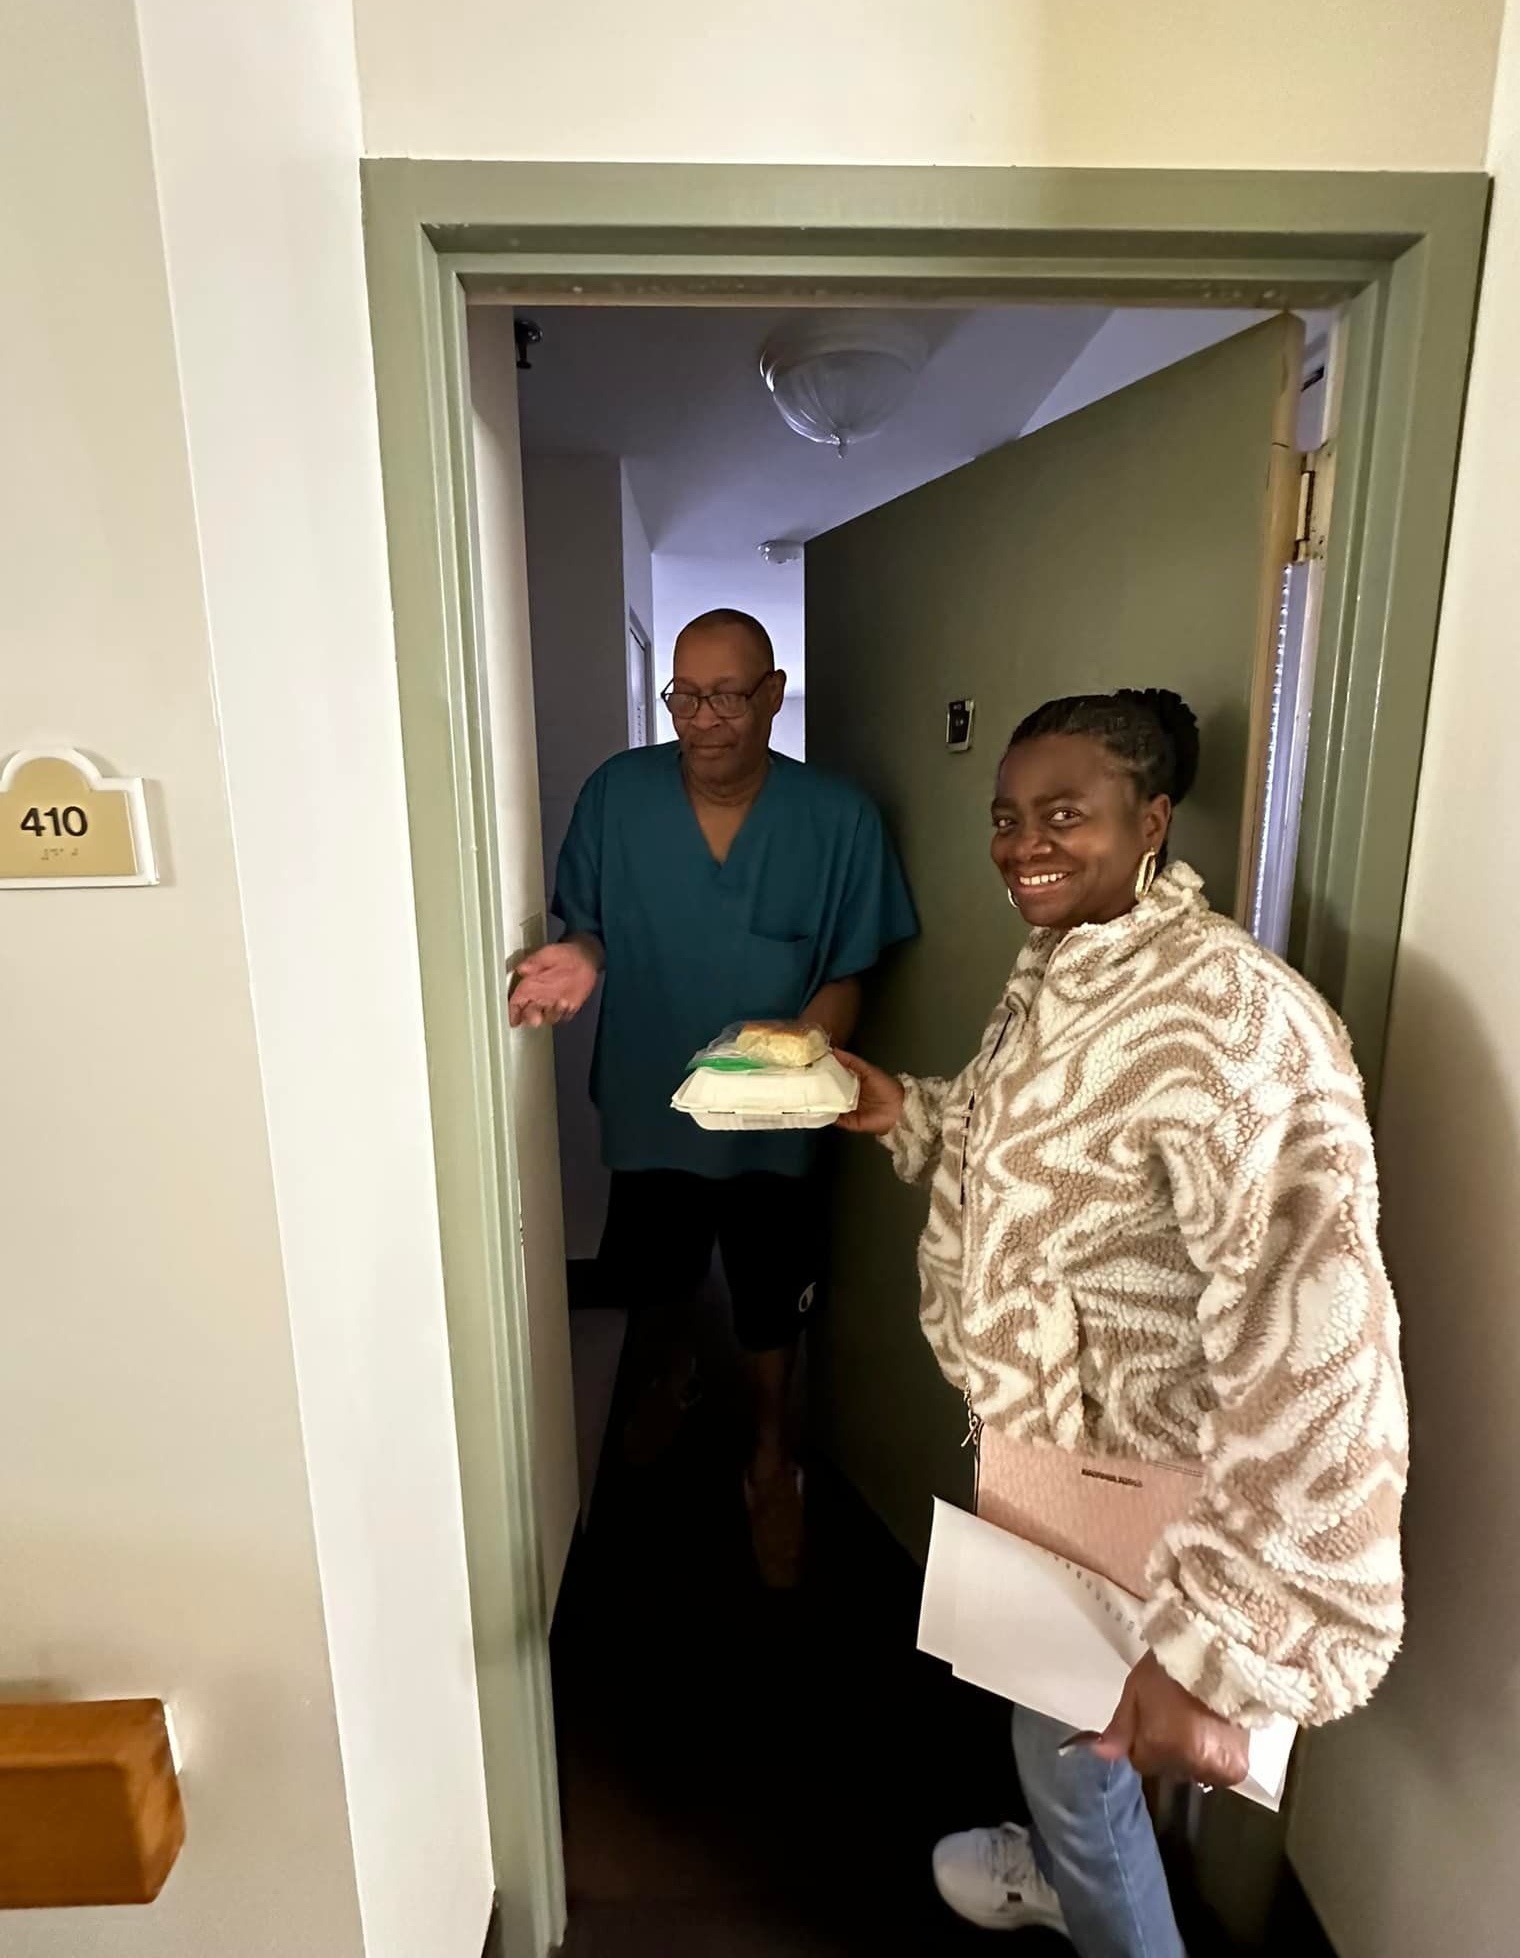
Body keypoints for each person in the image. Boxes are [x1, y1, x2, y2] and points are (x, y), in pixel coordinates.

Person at [836, 689, 1406, 1953]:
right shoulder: (1065, 970)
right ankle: (1063, 1865)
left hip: (1158, 1489)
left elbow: (1322, 1349)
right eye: (1006, 817)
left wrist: (1223, 1642)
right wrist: (900, 1111)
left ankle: (1102, 1906)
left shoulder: (1234, 1018)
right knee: (1054, 1724)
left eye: (1063, 814)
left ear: (1151, 821)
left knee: (1072, 1761)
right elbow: (1035, 1150)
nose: (1022, 844)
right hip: (1057, 1458)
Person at [509, 608, 917, 1588]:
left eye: (727, 696)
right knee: (658, 1274)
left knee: (771, 1300)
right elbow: (592, 924)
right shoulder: (618, 795)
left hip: (776, 1113)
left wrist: (798, 1052)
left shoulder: (837, 820)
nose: (702, 719)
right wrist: (579, 957)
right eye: (683, 696)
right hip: (652, 1093)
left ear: (772, 696)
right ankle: (670, 1375)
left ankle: (772, 1457)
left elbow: (851, 968)